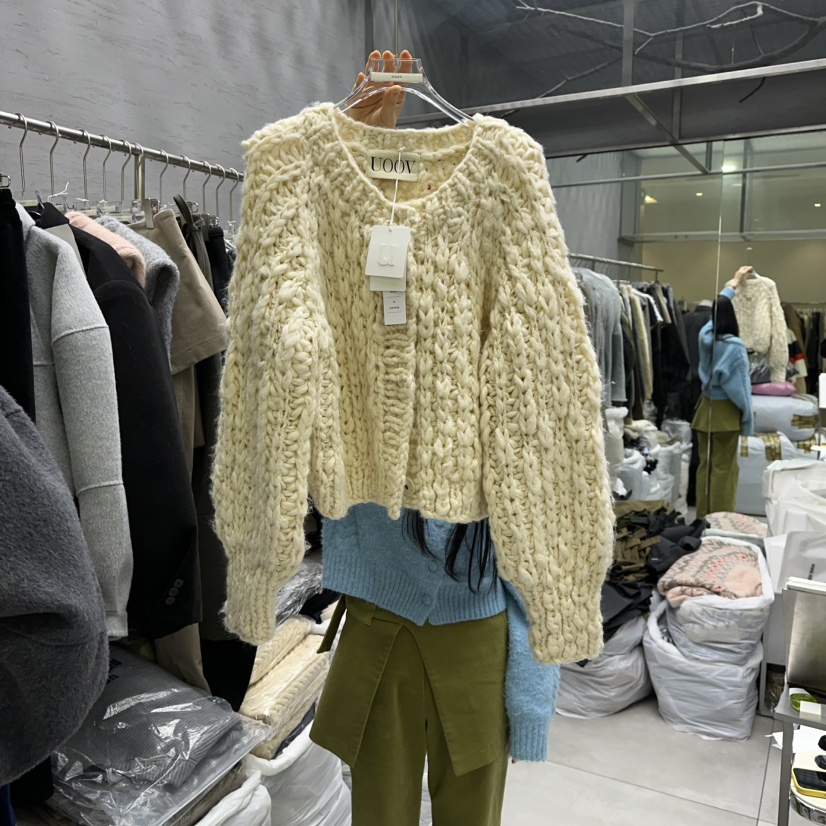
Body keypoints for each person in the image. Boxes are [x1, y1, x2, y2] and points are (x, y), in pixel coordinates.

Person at [308, 51, 560, 826]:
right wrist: (346, 146)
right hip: (380, 615)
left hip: (475, 624)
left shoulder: (515, 306)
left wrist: (534, 692)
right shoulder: (353, 287)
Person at [692, 266, 755, 517]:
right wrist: (747, 418)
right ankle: (720, 519)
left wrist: (732, 285)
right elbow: (741, 389)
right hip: (726, 415)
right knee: (724, 469)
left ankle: (702, 516)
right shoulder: (735, 348)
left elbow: (713, 319)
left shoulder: (705, 338)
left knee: (705, 467)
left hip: (704, 410)